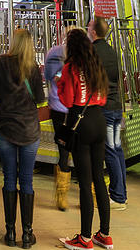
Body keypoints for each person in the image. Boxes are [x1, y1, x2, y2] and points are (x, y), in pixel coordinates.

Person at [57, 28, 112, 250]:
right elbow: (104, 95)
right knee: (99, 179)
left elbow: (68, 100)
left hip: (81, 124)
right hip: (99, 121)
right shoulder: (95, 66)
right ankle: (105, 235)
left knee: (85, 182)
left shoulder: (71, 68)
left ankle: (85, 238)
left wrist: (59, 84)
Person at [0, 29, 45, 248]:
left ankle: (10, 232)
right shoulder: (33, 68)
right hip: (29, 130)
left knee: (9, 178)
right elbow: (39, 99)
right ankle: (28, 235)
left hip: (5, 127)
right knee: (27, 180)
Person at [89, 16, 127, 210]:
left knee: (110, 150)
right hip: (116, 105)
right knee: (117, 149)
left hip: (104, 105)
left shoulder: (93, 52)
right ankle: (122, 192)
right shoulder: (112, 51)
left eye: (89, 27)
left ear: (94, 31)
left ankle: (118, 196)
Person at [44, 27, 79, 210]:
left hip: (57, 107)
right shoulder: (81, 58)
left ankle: (62, 197)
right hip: (77, 109)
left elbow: (48, 77)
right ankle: (86, 196)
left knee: (63, 150)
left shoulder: (52, 53)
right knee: (81, 151)